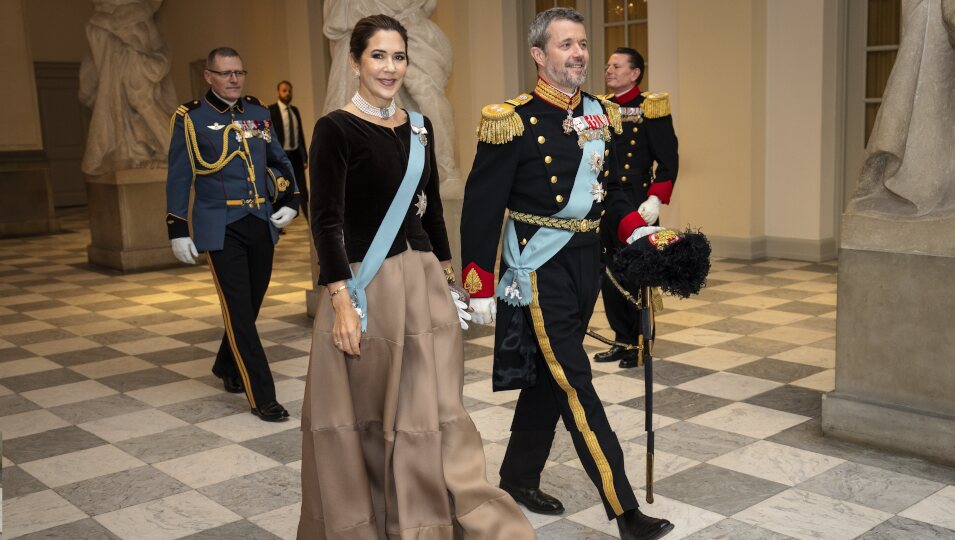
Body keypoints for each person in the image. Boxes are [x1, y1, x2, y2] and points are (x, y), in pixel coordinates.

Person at [299, 15, 535, 539]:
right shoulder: (334, 129)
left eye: (398, 56)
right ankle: (373, 518)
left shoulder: (419, 127)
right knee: (368, 414)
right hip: (366, 287)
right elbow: (326, 222)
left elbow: (429, 218)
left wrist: (450, 282)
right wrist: (341, 301)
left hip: (422, 284)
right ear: (356, 61)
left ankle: (426, 517)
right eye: (378, 56)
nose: (390, 67)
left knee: (432, 409)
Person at [460, 8, 674, 540]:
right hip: (537, 266)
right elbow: (480, 208)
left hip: (586, 261)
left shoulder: (601, 112)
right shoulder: (511, 118)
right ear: (539, 55)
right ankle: (625, 511)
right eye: (565, 45)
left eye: (582, 44)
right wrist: (478, 283)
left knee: (548, 375)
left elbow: (613, 192)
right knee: (576, 383)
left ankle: (516, 478)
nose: (578, 53)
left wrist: (635, 231)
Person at [166, 47, 300, 422]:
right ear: (208, 76)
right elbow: (179, 175)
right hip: (219, 227)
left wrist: (291, 198)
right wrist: (177, 227)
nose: (234, 80)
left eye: (239, 72)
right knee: (239, 313)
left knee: (250, 305)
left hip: (259, 220)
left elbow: (277, 158)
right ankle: (262, 396)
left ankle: (226, 364)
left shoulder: (258, 112)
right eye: (225, 73)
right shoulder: (191, 118)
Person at [595, 47, 679, 368]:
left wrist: (656, 198)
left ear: (635, 73)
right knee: (610, 273)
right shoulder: (598, 109)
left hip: (638, 203)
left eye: (617, 66)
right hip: (604, 203)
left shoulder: (651, 108)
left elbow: (668, 162)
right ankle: (622, 339)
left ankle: (642, 343)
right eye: (608, 65)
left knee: (636, 275)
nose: (609, 70)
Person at [268, 81, 309, 219]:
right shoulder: (271, 110)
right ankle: (278, 220)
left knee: (302, 189)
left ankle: (308, 219)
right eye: (284, 90)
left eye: (289, 91)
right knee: (279, 188)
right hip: (279, 156)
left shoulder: (294, 110)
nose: (287, 93)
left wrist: (305, 156)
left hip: (296, 155)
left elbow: (300, 134)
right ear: (278, 92)